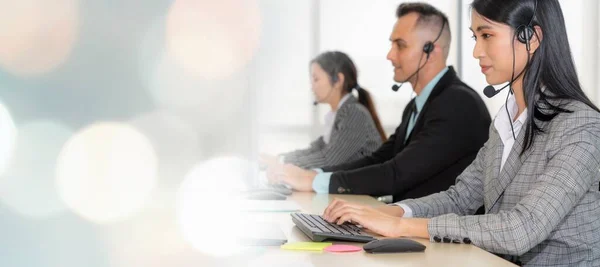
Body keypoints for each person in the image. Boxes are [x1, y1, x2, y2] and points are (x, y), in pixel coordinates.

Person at [322, 0, 600, 265]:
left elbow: (522, 228)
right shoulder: (506, 121)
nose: (477, 51)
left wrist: (401, 226)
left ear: (531, 37)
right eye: (474, 37)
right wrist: (390, 212)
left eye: (487, 35)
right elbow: (461, 198)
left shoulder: (580, 126)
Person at [269, 3, 491, 202]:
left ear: (430, 51)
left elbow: (396, 174)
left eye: (400, 45)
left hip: (442, 238)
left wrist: (314, 181)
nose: (390, 55)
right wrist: (315, 176)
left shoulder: (458, 103)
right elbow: (379, 159)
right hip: (411, 230)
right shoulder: (417, 106)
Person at [260, 51, 385, 170]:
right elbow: (316, 150)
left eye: (316, 79)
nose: (312, 86)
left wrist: (282, 163)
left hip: (365, 191)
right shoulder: (338, 114)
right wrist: (280, 159)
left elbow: (330, 159)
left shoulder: (354, 113)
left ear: (338, 80)